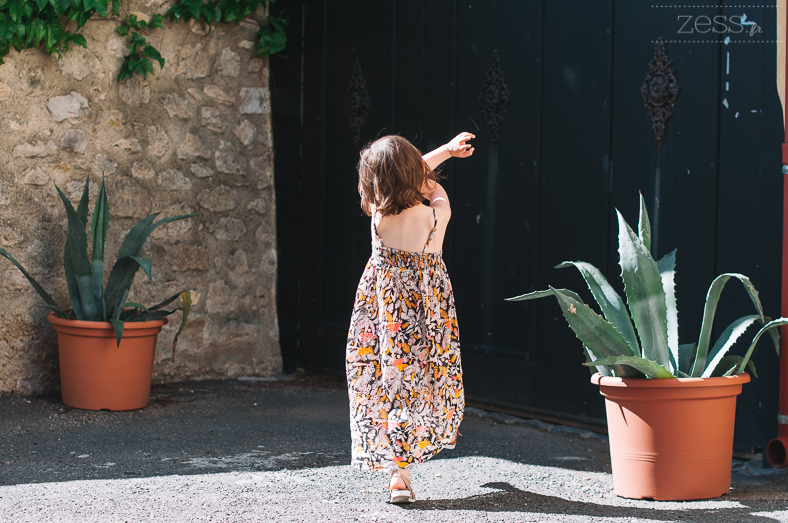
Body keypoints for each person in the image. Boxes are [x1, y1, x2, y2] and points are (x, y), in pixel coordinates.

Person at [345, 132, 475, 503]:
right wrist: (445, 157)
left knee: (387, 377)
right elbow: (425, 181)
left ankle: (396, 473)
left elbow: (401, 176)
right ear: (414, 176)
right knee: (427, 374)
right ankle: (429, 431)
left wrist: (444, 154)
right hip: (427, 313)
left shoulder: (379, 214)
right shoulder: (436, 213)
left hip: (385, 315)